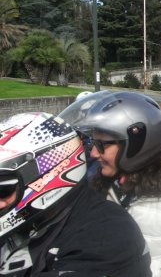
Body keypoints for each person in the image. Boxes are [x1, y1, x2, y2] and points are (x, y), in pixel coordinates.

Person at [70, 91, 161, 277]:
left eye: (102, 145)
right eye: (93, 143)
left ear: (136, 145)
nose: (94, 153)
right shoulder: (100, 184)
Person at [0, 112, 151, 276]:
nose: (93, 153)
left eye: (3, 190)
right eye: (93, 142)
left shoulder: (106, 233)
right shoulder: (44, 217)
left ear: (47, 176)